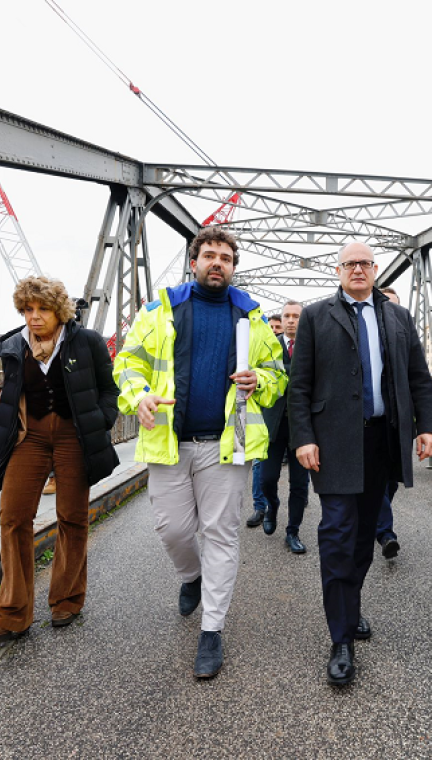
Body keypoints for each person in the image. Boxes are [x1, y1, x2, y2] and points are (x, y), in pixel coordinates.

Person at [113, 227, 286, 679]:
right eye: (209, 255)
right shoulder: (161, 309)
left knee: (222, 534)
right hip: (170, 442)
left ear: (233, 266)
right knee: (172, 530)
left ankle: (212, 630)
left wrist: (261, 381)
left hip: (225, 446)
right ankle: (192, 577)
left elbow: (276, 374)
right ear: (193, 262)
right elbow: (127, 361)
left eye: (225, 257)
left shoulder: (252, 315)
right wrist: (140, 395)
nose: (217, 263)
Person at [288, 242, 432, 686]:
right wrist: (304, 438)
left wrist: (426, 426)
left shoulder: (397, 316)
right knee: (336, 533)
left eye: (365, 263)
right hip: (333, 445)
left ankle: (349, 610)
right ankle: (341, 638)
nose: (358, 269)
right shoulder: (317, 316)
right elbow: (300, 385)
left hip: (382, 442)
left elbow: (417, 377)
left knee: (364, 538)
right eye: (350, 263)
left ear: (375, 270)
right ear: (338, 271)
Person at [0, 276, 120, 644]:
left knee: (72, 517)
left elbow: (109, 389)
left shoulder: (86, 341)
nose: (34, 317)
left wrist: (100, 422)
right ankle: (12, 613)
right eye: (27, 309)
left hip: (74, 437)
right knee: (13, 517)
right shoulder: (14, 346)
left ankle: (67, 599)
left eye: (42, 309)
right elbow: (11, 398)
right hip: (31, 437)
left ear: (59, 311)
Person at [258, 300, 311, 552]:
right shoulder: (269, 347)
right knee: (267, 479)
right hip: (274, 425)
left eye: (296, 316)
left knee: (299, 484)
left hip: (302, 428)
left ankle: (293, 531)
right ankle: (272, 505)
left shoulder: (312, 346)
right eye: (287, 316)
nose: (291, 320)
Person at [246, 314, 285, 527]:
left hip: (284, 417)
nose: (275, 330)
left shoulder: (290, 347)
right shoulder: (258, 347)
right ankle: (259, 507)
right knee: (259, 467)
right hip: (260, 418)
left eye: (277, 327)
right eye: (272, 327)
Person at [375, 287, 401, 559]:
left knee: (391, 482)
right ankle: (386, 534)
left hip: (397, 425)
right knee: (380, 480)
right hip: (371, 424)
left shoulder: (404, 336)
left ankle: (376, 517)